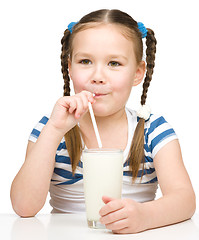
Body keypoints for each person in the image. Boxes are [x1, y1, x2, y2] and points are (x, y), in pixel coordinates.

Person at [10, 9, 196, 234]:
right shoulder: (50, 129)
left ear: (138, 73)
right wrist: (54, 130)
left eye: (114, 63)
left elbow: (185, 200)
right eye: (85, 61)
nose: (98, 76)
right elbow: (24, 207)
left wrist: (145, 216)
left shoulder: (151, 131)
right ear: (69, 67)